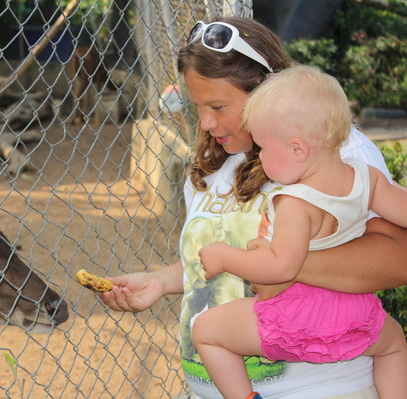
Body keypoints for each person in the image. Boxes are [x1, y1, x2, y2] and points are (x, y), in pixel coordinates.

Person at [98, 16, 407, 399]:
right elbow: (219, 258)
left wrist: (279, 263)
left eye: (218, 106)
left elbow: (397, 259)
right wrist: (160, 281)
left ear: (264, 90)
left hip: (319, 388)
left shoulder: (331, 151)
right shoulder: (215, 165)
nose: (207, 122)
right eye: (198, 108)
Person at [192, 65, 407, 399]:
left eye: (263, 147)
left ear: (297, 150)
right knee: (394, 346)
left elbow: (282, 268)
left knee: (206, 332)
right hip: (356, 314)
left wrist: (224, 256)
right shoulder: (368, 178)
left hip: (298, 319)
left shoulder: (294, 202)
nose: (260, 157)